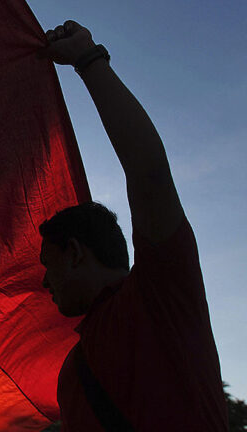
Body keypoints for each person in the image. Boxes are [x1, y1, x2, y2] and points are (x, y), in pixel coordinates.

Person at [38, 20, 228, 431]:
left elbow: (149, 175)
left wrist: (88, 59)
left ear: (74, 253)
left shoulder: (160, 294)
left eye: (46, 263)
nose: (43, 282)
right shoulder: (72, 373)